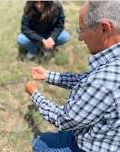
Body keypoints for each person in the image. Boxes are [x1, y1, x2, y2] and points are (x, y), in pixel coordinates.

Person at [26, 1, 120, 151]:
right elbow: (86, 80)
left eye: (82, 30)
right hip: (108, 138)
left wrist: (34, 93)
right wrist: (49, 75)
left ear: (104, 28)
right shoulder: (110, 67)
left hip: (91, 146)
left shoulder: (102, 82)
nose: (80, 38)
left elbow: (64, 119)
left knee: (40, 143)